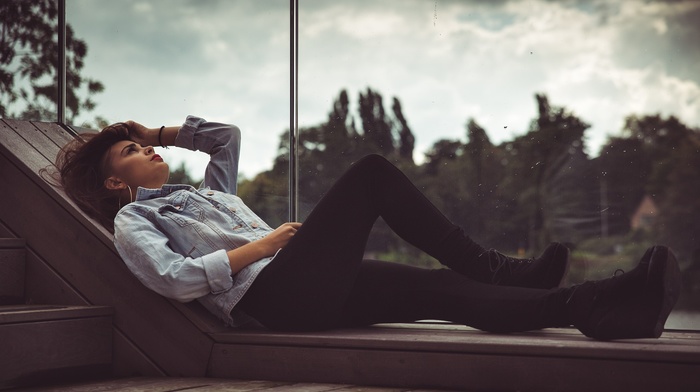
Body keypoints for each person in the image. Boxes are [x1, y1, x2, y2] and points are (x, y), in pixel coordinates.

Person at [55, 115, 681, 340]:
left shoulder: (202, 193)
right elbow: (174, 279)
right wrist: (264, 245)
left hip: (303, 286)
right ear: (116, 184)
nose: (147, 153)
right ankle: (498, 266)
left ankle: (597, 307)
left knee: (440, 291)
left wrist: (155, 132)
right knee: (372, 174)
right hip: (272, 295)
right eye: (131, 154)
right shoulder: (137, 218)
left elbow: (225, 138)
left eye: (142, 146)